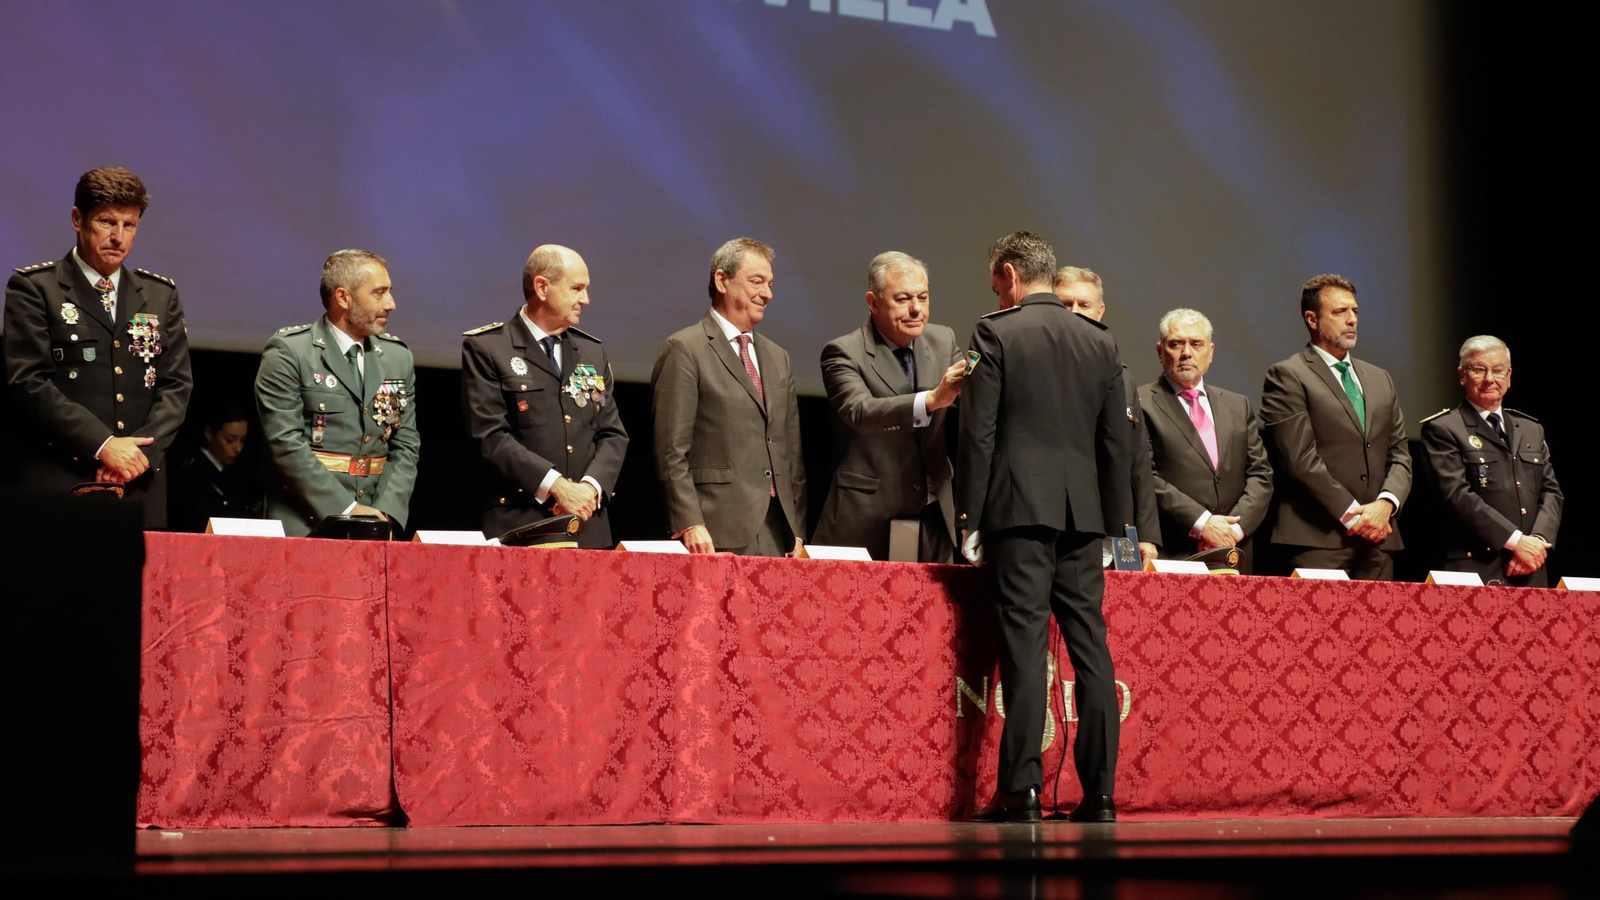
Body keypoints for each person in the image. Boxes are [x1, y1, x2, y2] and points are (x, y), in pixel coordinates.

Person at [958, 232, 1130, 823]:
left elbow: (977, 433)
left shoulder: (995, 332)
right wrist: (1113, 527)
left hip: (1019, 513)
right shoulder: (1100, 343)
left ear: (1008, 274)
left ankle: (1022, 792)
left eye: (994, 282)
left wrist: (969, 516)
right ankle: (1102, 795)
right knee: (1092, 650)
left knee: (1026, 650)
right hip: (1084, 519)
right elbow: (1117, 446)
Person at [3, 167, 193, 526]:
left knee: (140, 583)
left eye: (129, 225)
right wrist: (104, 445)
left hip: (139, 481)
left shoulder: (159, 294)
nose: (118, 237)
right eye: (107, 222)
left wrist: (139, 457)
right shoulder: (35, 288)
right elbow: (28, 381)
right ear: (78, 219)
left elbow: (176, 385)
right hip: (60, 476)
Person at [460, 245, 628, 547]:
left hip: (588, 525)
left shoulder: (592, 351)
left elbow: (613, 434)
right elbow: (490, 435)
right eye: (577, 288)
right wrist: (556, 487)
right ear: (542, 287)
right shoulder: (489, 348)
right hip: (521, 524)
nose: (585, 300)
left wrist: (589, 489)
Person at [651, 238, 806, 556]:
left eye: (770, 284)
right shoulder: (685, 348)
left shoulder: (779, 358)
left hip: (780, 532)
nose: (767, 293)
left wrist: (798, 531)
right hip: (714, 528)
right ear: (722, 280)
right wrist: (690, 522)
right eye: (757, 281)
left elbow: (791, 455)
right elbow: (670, 451)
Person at [812, 252, 966, 561]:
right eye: (903, 299)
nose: (916, 309)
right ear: (873, 302)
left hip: (934, 513)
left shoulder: (942, 339)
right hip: (870, 514)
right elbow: (861, 412)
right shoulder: (843, 352)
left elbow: (971, 396)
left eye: (923, 297)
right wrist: (931, 400)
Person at [255, 249, 419, 537]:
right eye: (379, 293)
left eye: (390, 292)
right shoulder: (291, 352)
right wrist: (346, 509)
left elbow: (406, 444)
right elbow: (284, 443)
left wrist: (387, 511)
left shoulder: (397, 357)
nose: (391, 304)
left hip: (377, 518)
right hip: (305, 520)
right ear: (343, 298)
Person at [1260, 274, 1411, 579]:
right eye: (1340, 312)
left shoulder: (1380, 378)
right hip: (1318, 538)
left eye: (1354, 311)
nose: (1351, 320)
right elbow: (1299, 459)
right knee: (1320, 628)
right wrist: (1354, 515)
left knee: (1379, 628)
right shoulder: (1288, 375)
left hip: (1379, 539)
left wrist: (1385, 505)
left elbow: (1400, 454)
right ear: (1312, 319)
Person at [1419, 336, 1561, 586]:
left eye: (1497, 370)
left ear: (1509, 376)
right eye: (1478, 369)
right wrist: (1516, 542)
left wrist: (1537, 542)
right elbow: (1456, 496)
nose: (1489, 379)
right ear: (1462, 375)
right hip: (1475, 569)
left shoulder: (1530, 429)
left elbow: (1551, 492)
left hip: (1529, 567)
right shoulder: (1443, 428)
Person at [1139, 309, 1273, 572]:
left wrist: (1232, 531)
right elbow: (1145, 476)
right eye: (1176, 343)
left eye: (1196, 343)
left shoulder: (1238, 404)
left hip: (1235, 551)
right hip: (1176, 552)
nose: (1186, 352)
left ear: (1210, 352)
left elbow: (1261, 474)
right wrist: (1203, 524)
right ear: (1159, 351)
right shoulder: (1140, 401)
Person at [1053, 266, 1159, 563]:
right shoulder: (1036, 368)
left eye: (1083, 305)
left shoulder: (1121, 377)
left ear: (1100, 311)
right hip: (1054, 520)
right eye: (1065, 303)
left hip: (1113, 524)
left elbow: (1137, 459)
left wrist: (1147, 534)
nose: (1074, 312)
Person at [168, 403, 262, 532]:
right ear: (209, 434)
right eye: (230, 440)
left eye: (242, 440)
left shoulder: (237, 473)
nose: (238, 448)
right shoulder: (192, 474)